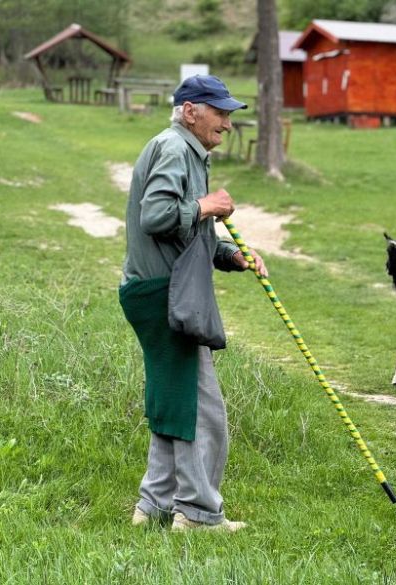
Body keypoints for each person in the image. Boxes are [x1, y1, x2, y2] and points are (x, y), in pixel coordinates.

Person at [119, 75, 267, 532]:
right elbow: (158, 216)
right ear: (189, 110)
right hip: (166, 295)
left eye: (230, 113)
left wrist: (229, 255)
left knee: (174, 403)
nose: (227, 122)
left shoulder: (186, 151)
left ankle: (154, 506)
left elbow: (184, 231)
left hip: (158, 290)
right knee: (204, 412)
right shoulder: (175, 148)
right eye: (219, 111)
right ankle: (200, 514)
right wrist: (206, 205)